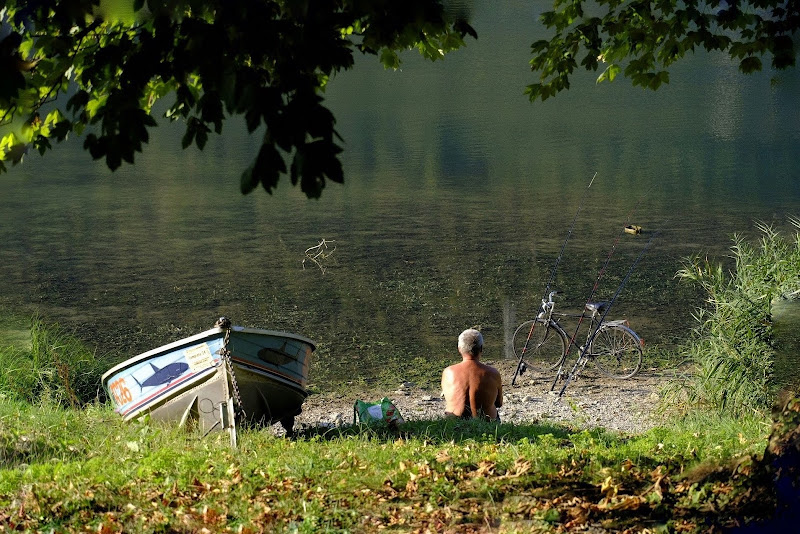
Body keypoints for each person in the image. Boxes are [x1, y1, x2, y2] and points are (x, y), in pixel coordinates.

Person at [441, 328, 503, 421]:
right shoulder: (493, 373)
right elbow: (499, 403)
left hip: (454, 424)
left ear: (459, 349)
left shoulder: (448, 372)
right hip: (486, 424)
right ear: (481, 348)